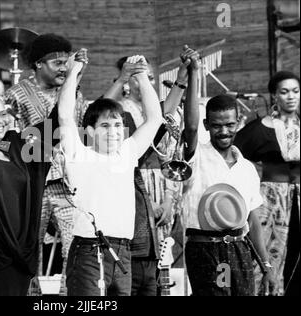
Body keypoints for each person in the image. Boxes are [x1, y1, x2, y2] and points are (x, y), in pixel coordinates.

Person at [59, 54, 163, 296]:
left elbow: (155, 118)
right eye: (105, 126)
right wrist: (74, 71)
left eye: (118, 126)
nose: (114, 132)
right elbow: (64, 115)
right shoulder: (79, 153)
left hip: (124, 252)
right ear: (90, 131)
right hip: (89, 250)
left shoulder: (127, 152)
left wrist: (141, 75)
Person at [103, 47, 196, 296]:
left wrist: (168, 199)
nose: (147, 81)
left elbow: (168, 111)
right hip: (132, 185)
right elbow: (101, 108)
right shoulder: (118, 111)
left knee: (159, 256)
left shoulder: (157, 110)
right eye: (139, 75)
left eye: (151, 77)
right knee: (135, 254)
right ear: (126, 81)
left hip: (161, 181)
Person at [181, 51, 276, 296]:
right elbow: (189, 126)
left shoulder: (247, 168)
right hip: (205, 249)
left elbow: (253, 221)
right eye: (216, 125)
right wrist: (194, 73)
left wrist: (266, 264)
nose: (224, 131)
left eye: (230, 125)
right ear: (206, 126)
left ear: (239, 122)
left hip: (240, 249)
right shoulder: (196, 154)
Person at [5, 33, 89, 294]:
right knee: (28, 248)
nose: (64, 68)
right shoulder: (16, 94)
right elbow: (8, 141)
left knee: (76, 246)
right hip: (31, 184)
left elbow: (82, 130)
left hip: (67, 184)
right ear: (39, 64)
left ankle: (70, 297)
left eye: (67, 63)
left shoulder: (74, 91)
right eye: (58, 63)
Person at [234, 71, 300, 296]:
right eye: (284, 92)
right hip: (271, 199)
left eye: (295, 91)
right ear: (274, 96)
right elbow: (234, 156)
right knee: (267, 258)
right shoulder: (258, 129)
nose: (291, 96)